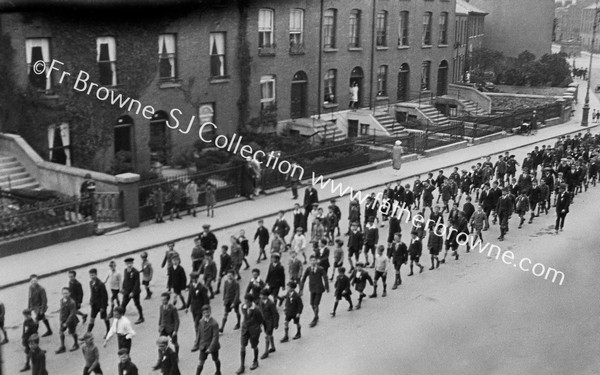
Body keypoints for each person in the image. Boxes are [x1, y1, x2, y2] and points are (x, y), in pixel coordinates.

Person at [237, 294, 264, 374]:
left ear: (251, 302)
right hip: (245, 330)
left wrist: (254, 326)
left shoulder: (256, 310)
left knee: (254, 346)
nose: (246, 303)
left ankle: (255, 361)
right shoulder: (243, 307)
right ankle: (242, 366)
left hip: (254, 331)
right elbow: (244, 316)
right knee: (242, 347)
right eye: (245, 301)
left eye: (247, 302)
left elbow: (260, 320)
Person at [300, 255, 329, 327]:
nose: (313, 262)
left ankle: (315, 318)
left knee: (316, 304)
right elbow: (303, 279)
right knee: (312, 304)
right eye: (311, 260)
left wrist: (327, 287)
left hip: (319, 288)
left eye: (314, 260)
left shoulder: (320, 269)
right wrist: (301, 289)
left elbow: (325, 277)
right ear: (310, 261)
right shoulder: (308, 269)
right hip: (312, 288)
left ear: (316, 261)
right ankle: (316, 315)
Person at [195, 305, 221, 375]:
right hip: (203, 345)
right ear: (202, 314)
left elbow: (215, 337)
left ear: (210, 312)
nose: (206, 314)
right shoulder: (201, 321)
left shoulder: (214, 323)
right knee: (201, 362)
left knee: (215, 359)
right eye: (205, 313)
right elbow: (199, 333)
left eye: (208, 312)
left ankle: (218, 371)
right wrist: (196, 344)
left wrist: (210, 348)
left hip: (213, 346)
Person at [188, 271, 211, 347]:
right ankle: (202, 336)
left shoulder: (201, 287)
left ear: (197, 278)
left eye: (195, 278)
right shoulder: (191, 286)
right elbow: (190, 297)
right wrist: (186, 306)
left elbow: (206, 299)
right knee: (197, 324)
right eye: (192, 278)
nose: (193, 280)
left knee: (196, 324)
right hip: (193, 308)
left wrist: (206, 308)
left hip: (200, 309)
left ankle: (197, 342)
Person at [55, 287, 79, 354]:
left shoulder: (72, 302)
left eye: (66, 293)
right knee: (61, 332)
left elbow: (72, 313)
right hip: (63, 319)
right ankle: (62, 346)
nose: (65, 295)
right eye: (63, 293)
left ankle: (76, 344)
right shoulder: (62, 300)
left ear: (69, 293)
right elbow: (62, 310)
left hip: (71, 320)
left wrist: (67, 322)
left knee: (73, 332)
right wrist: (61, 319)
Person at [120, 258, 144, 324]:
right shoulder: (125, 270)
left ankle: (141, 317)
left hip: (134, 292)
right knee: (123, 305)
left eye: (130, 263)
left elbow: (137, 283)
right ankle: (121, 318)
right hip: (127, 291)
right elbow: (125, 280)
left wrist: (133, 292)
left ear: (132, 263)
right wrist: (123, 288)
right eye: (128, 264)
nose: (129, 265)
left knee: (137, 304)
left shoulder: (135, 272)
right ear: (125, 264)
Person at [87, 268, 109, 336]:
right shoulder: (90, 283)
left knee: (105, 318)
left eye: (93, 275)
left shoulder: (100, 284)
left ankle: (108, 330)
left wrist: (103, 307)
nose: (92, 277)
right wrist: (91, 300)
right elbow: (92, 293)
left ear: (96, 275)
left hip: (101, 305)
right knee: (91, 319)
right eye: (90, 275)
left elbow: (104, 296)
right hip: (94, 305)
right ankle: (88, 333)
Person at [258, 289, 279, 359]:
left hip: (270, 322)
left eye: (262, 295)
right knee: (269, 334)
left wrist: (276, 324)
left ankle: (266, 352)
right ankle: (273, 347)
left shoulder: (271, 304)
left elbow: (275, 314)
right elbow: (260, 310)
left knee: (267, 335)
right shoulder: (261, 301)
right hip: (264, 321)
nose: (260, 296)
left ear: (266, 296)